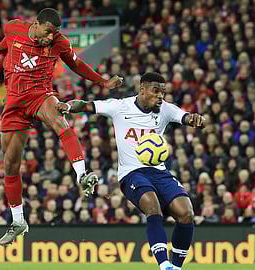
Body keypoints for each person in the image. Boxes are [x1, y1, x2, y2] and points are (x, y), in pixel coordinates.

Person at [0, 8, 123, 246]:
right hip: (14, 101)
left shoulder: (59, 42)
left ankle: (82, 174)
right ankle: (18, 221)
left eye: (55, 33)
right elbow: (9, 41)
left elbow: (77, 65)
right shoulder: (13, 27)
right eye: (48, 32)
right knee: (10, 162)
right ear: (36, 24)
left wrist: (102, 81)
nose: (50, 37)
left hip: (40, 94)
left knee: (59, 118)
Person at [56, 72, 205, 270]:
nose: (160, 96)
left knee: (186, 213)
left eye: (163, 92)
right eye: (156, 91)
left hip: (159, 172)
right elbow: (86, 105)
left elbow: (185, 117)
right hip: (132, 174)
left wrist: (194, 119)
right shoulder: (120, 107)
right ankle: (164, 264)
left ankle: (175, 268)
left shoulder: (165, 109)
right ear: (142, 90)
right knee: (153, 208)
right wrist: (67, 106)